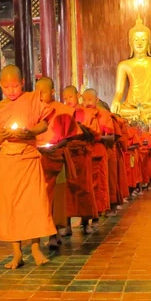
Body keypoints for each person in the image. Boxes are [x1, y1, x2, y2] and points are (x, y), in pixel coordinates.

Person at [0, 65, 56, 269]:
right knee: (11, 207)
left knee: (33, 204)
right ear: (0, 85)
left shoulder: (33, 99)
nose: (11, 90)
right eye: (7, 86)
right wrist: (4, 136)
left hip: (29, 158)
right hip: (8, 161)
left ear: (23, 82)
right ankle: (16, 252)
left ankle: (35, 247)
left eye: (15, 85)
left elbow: (44, 123)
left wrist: (30, 132)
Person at [35, 77, 79, 249]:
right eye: (37, 92)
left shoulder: (63, 110)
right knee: (41, 197)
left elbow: (69, 136)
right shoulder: (34, 110)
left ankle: (55, 231)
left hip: (57, 156)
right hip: (37, 157)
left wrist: (55, 147)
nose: (40, 95)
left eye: (44, 92)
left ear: (53, 91)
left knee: (57, 196)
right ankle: (42, 232)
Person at [62, 86, 99, 235]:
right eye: (65, 98)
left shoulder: (88, 113)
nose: (68, 101)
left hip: (82, 154)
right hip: (68, 153)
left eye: (70, 97)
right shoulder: (62, 113)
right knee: (67, 190)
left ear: (77, 95)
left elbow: (94, 137)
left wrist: (81, 128)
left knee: (85, 189)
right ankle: (67, 225)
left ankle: (86, 223)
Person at [82, 89, 114, 223]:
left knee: (98, 186)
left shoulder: (104, 115)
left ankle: (96, 215)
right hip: (82, 154)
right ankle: (85, 216)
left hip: (98, 153)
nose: (87, 103)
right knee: (84, 187)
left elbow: (111, 138)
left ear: (97, 100)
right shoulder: (79, 114)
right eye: (84, 100)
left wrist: (98, 137)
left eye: (90, 100)